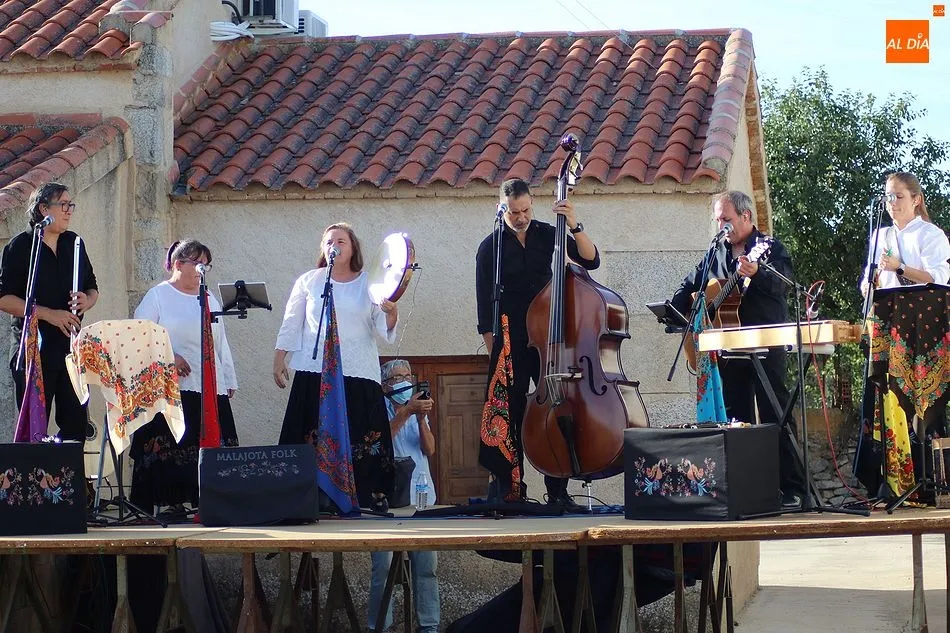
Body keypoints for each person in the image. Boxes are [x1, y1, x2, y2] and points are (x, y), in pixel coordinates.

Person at [670, 190, 806, 508]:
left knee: (776, 415)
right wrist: (681, 309)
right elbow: (689, 284)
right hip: (729, 349)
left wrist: (757, 273)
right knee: (736, 419)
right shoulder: (716, 251)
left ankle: (795, 490)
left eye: (726, 219)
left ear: (746, 217)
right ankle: (748, 490)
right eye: (717, 219)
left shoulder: (769, 248)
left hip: (765, 342)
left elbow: (784, 283)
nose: (721, 225)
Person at [475, 178, 600, 508]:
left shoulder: (549, 233)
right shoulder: (490, 248)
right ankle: (511, 489)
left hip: (549, 342)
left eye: (526, 209)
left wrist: (574, 224)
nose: (521, 216)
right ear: (502, 208)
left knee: (556, 412)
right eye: (514, 212)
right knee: (510, 414)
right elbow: (483, 313)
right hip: (511, 343)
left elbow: (591, 260)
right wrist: (495, 358)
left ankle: (558, 490)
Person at [274, 222, 398, 511]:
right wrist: (280, 357)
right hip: (314, 368)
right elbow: (292, 322)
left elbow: (382, 326)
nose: (335, 246)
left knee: (362, 429)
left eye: (342, 241)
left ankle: (371, 493)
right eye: (330, 241)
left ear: (353, 247)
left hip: (357, 368)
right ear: (323, 248)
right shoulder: (309, 281)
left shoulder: (370, 283)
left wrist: (391, 314)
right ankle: (305, 496)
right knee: (308, 428)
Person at [129, 239, 239, 514]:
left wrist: (228, 379)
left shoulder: (210, 298)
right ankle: (171, 505)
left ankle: (208, 505)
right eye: (198, 263)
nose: (203, 270)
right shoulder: (158, 296)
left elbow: (220, 341)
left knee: (206, 447)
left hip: (208, 387)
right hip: (171, 389)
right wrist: (171, 356)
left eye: (207, 265)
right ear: (178, 264)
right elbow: (140, 335)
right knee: (171, 449)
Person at [0, 182, 98, 441]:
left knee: (76, 426)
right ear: (43, 209)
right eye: (63, 204)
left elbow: (92, 288)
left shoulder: (74, 243)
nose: (69, 210)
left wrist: (87, 300)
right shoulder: (20, 247)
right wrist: (46, 314)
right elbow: (3, 298)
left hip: (70, 350)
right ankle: (35, 480)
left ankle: (71, 481)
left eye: (70, 205)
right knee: (34, 428)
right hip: (34, 351)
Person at [367, 359, 440, 633]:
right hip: (386, 503)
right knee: (382, 570)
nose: (405, 381)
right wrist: (407, 412)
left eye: (408, 376)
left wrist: (420, 420)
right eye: (398, 377)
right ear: (385, 385)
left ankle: (429, 627)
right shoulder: (377, 410)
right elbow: (381, 440)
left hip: (421, 500)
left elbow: (430, 449)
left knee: (426, 569)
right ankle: (380, 627)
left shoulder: (418, 411)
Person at [861, 171, 950, 293]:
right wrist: (868, 287)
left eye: (899, 196)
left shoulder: (930, 234)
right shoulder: (880, 235)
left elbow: (937, 281)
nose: (892, 202)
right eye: (889, 196)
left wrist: (899, 267)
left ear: (916, 200)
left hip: (919, 309)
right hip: (884, 309)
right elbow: (867, 280)